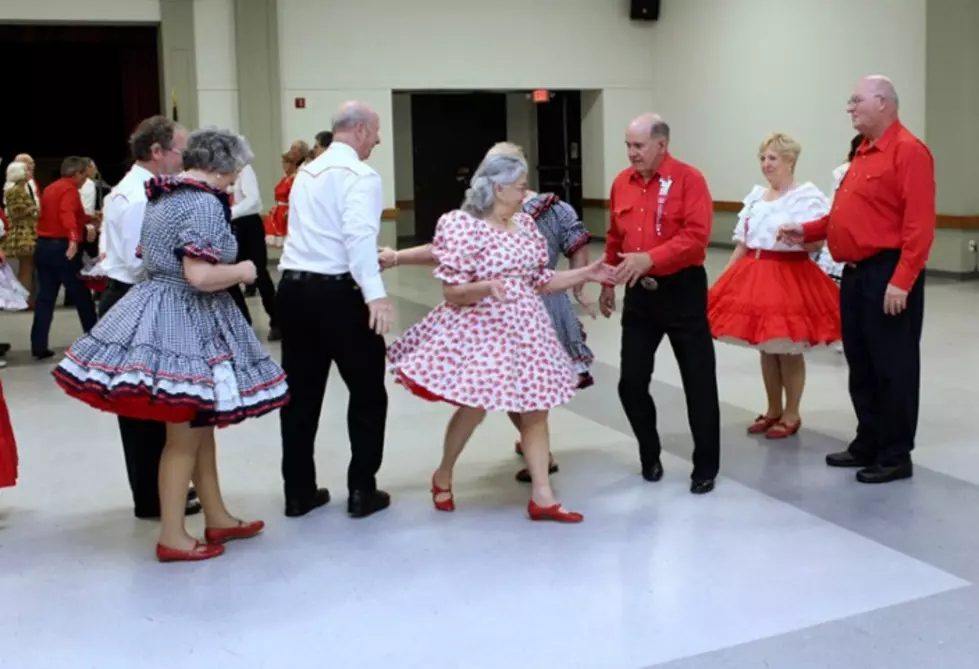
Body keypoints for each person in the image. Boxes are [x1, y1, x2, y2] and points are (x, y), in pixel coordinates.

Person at [52, 127, 289, 562]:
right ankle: (174, 535)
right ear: (220, 166)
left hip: (163, 304)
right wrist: (244, 271)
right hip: (186, 315)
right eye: (235, 169)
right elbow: (199, 275)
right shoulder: (202, 202)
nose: (237, 178)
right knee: (182, 434)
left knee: (200, 426)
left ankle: (216, 515)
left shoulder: (166, 194)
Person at [386, 153, 611, 522]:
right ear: (497, 187)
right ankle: (443, 472)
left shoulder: (524, 227)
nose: (526, 194)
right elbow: (453, 293)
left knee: (536, 411)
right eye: (520, 186)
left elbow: (541, 280)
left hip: (528, 330)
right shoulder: (465, 227)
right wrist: (487, 287)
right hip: (483, 330)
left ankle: (543, 496)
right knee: (473, 408)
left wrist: (586, 273)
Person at [777, 75, 935, 484]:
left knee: (893, 366)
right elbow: (845, 217)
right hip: (854, 274)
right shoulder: (863, 153)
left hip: (888, 273)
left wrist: (902, 281)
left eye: (856, 101)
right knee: (861, 364)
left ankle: (896, 453)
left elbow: (919, 227)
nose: (849, 108)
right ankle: (869, 440)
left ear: (883, 103)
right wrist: (808, 231)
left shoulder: (909, 152)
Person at [276, 101, 392, 520]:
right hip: (339, 295)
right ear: (360, 130)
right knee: (366, 393)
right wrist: (375, 294)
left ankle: (298, 492)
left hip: (293, 290)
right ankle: (362, 489)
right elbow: (358, 238)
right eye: (376, 131)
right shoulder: (360, 175)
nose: (378, 140)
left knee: (300, 398)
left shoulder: (307, 171)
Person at [600, 113, 720, 494]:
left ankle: (705, 466)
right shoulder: (622, 183)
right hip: (638, 293)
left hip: (681, 289)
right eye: (628, 145)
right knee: (630, 383)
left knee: (698, 381)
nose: (631, 153)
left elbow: (697, 238)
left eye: (638, 146)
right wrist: (608, 278)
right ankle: (649, 454)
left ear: (662, 145)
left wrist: (651, 258)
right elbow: (614, 237)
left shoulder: (689, 180)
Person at [95, 115, 201, 520]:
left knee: (151, 400)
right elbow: (144, 262)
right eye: (180, 150)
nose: (184, 158)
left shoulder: (137, 190)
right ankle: (153, 495)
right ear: (156, 152)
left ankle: (157, 489)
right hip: (139, 297)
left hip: (135, 294)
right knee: (144, 403)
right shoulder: (141, 198)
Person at [707, 133, 841, 439]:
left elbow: (819, 240)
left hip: (789, 276)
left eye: (773, 158)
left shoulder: (806, 196)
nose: (766, 164)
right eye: (763, 158)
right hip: (755, 274)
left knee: (788, 347)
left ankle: (791, 413)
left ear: (790, 161)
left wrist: (798, 236)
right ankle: (772, 408)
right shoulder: (756, 196)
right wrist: (723, 282)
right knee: (766, 348)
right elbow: (743, 243)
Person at [29, 156, 98, 360]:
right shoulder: (69, 190)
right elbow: (66, 214)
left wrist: (91, 218)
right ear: (76, 174)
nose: (85, 179)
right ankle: (95, 341)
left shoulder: (50, 188)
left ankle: (38, 345)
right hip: (62, 248)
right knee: (82, 297)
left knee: (45, 298)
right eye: (84, 175)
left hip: (43, 246)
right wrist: (74, 239)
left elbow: (70, 215)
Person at [231, 161, 279, 340]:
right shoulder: (223, 170)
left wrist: (231, 211)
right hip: (234, 224)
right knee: (231, 275)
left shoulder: (245, 170)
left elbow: (253, 199)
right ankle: (243, 321)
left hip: (248, 224)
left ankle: (277, 321)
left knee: (259, 273)